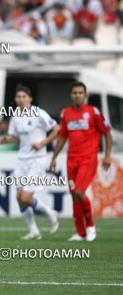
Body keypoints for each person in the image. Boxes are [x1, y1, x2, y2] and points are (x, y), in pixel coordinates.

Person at [49, 82, 113, 242]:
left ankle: (90, 226)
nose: (77, 95)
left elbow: (107, 134)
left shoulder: (93, 112)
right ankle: (80, 233)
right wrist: (54, 157)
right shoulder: (66, 114)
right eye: (74, 93)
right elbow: (62, 137)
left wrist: (107, 155)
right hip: (72, 160)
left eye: (80, 93)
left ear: (85, 95)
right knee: (74, 196)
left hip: (88, 158)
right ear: (71, 95)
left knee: (79, 192)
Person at [0, 85, 60, 240]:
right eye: (18, 97)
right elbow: (14, 136)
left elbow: (56, 129)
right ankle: (34, 231)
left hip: (37, 159)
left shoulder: (39, 113)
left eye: (23, 97)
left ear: (30, 99)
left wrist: (42, 143)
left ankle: (50, 212)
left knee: (26, 197)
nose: (20, 100)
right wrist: (6, 139)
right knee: (19, 197)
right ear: (15, 99)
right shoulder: (15, 115)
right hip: (22, 159)